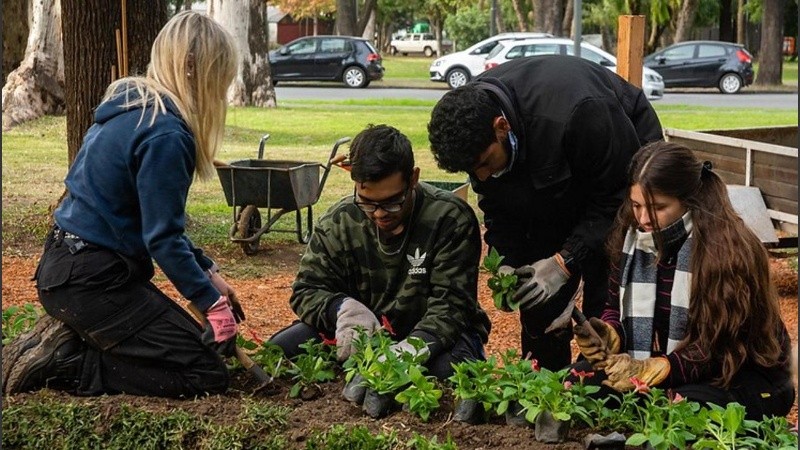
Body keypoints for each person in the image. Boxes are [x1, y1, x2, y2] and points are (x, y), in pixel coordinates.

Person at [2, 11, 242, 398]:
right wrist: (211, 304)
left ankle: (87, 341)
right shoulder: (165, 133)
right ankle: (71, 364)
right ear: (197, 70)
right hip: (92, 282)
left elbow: (151, 225)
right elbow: (163, 239)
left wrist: (207, 272)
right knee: (204, 372)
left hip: (68, 270)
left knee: (189, 347)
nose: (223, 90)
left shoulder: (131, 109)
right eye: (222, 76)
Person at [427, 55, 663, 370]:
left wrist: (564, 262)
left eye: (484, 164)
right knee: (538, 300)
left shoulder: (581, 111)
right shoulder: (474, 130)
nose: (481, 177)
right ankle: (546, 382)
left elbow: (615, 199)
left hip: (619, 160)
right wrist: (509, 261)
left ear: (501, 127)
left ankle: (601, 381)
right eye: (473, 171)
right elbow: (499, 207)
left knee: (606, 288)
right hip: (549, 173)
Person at [572, 141, 795, 420]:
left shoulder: (729, 250)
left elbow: (716, 347)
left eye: (658, 207)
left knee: (680, 406)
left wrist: (654, 369)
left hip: (742, 373)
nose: (643, 219)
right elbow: (615, 306)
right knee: (579, 378)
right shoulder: (631, 238)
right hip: (679, 364)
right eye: (636, 205)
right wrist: (611, 333)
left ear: (689, 201)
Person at [269, 124, 491, 381]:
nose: (379, 213)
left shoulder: (449, 218)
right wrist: (342, 310)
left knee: (446, 376)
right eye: (367, 202)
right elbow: (306, 289)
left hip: (435, 336)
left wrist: (411, 350)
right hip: (363, 333)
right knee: (281, 351)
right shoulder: (338, 222)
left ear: (414, 178)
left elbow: (452, 307)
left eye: (392, 202)